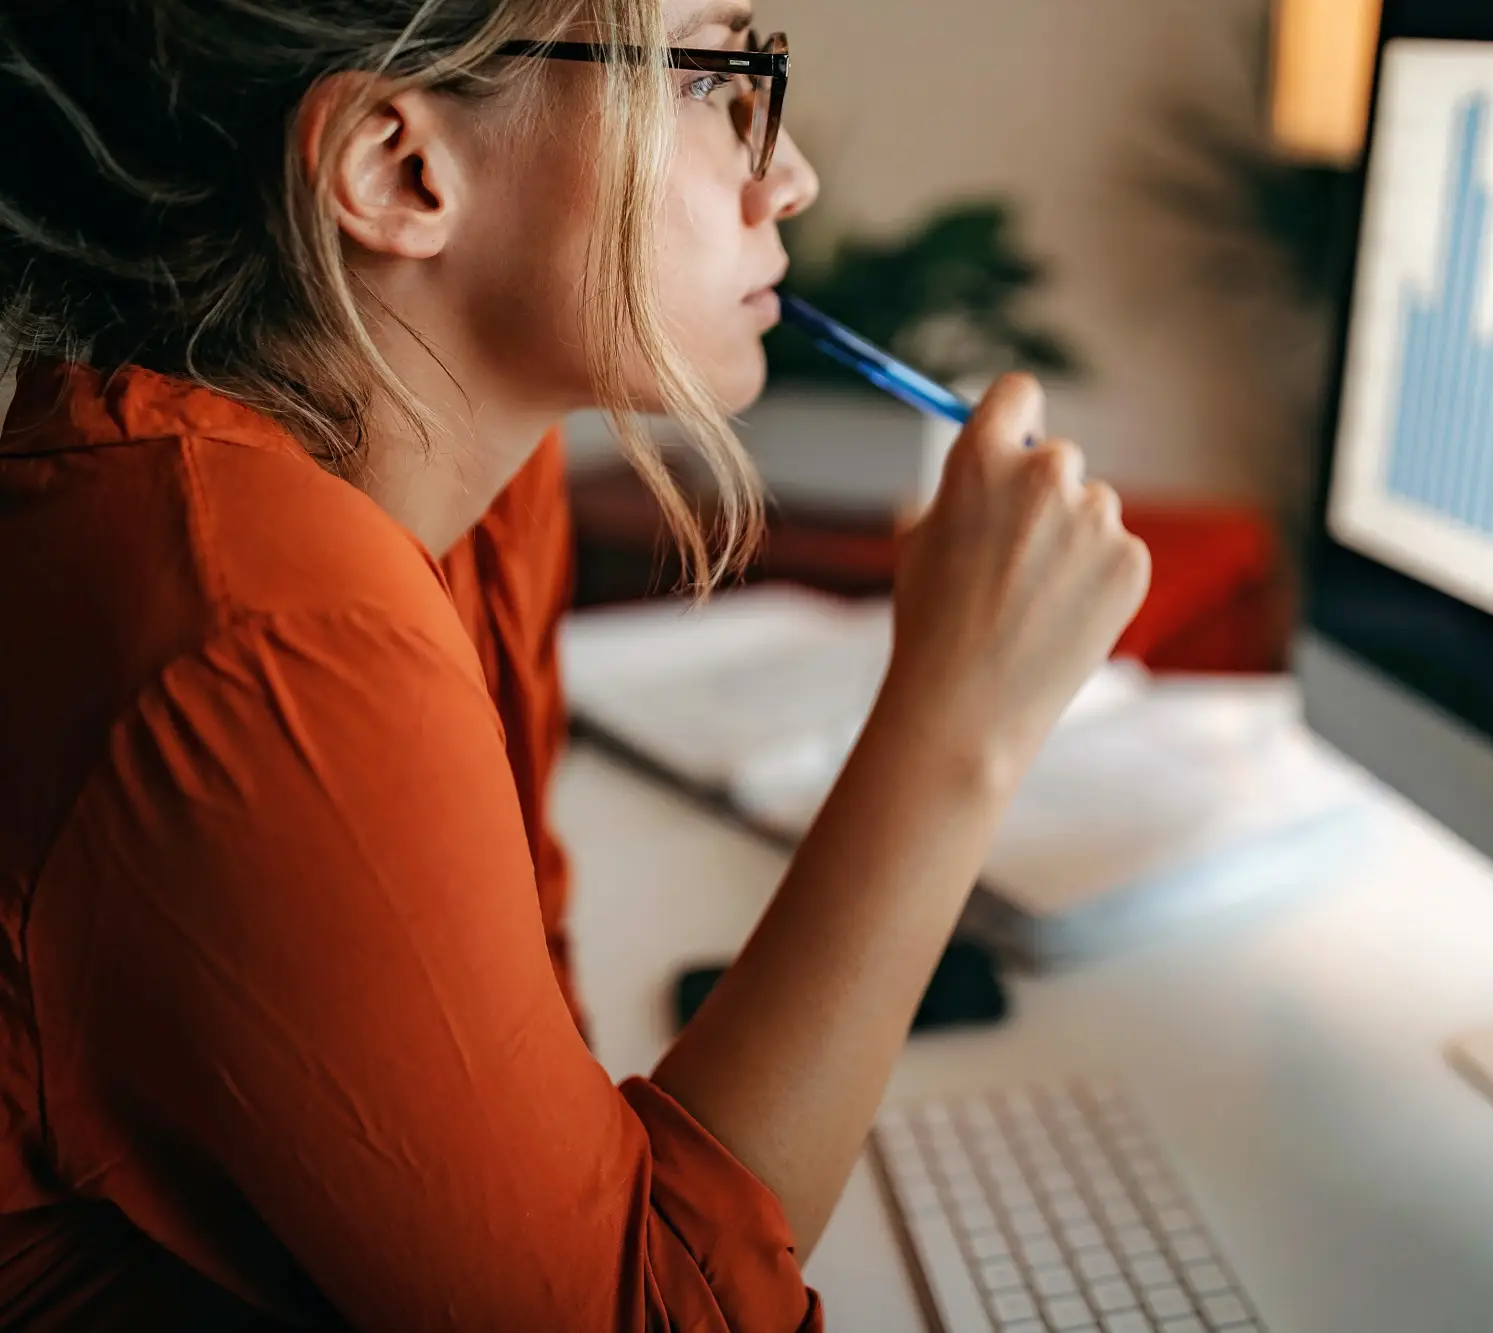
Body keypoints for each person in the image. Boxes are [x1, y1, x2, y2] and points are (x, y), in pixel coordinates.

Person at [0, 1, 1150, 1327]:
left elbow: (537, 1039)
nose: (786, 174)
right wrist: (960, 727)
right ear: (398, 169)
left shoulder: (480, 496)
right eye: (715, 74)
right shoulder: (263, 631)